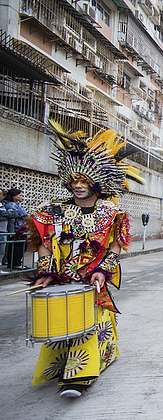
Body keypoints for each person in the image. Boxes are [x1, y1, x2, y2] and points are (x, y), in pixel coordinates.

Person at [25, 121, 140, 397]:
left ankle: (79, 377)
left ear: (98, 184)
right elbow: (43, 243)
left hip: (93, 280)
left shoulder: (111, 213)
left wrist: (104, 271)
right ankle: (60, 367)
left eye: (84, 181)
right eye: (74, 180)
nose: (77, 186)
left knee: (90, 323)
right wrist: (45, 273)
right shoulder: (52, 211)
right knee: (62, 321)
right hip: (62, 279)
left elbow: (115, 246)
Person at [4, 188, 29, 269]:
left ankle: (14, 262)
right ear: (14, 196)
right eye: (20, 195)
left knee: (19, 246)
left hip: (20, 228)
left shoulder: (15, 205)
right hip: (16, 229)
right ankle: (16, 263)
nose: (21, 197)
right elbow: (23, 214)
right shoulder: (11, 205)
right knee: (18, 246)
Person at [0, 189, 22, 272]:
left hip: (5, 231)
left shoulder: (4, 204)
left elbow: (14, 214)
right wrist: (6, 215)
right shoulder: (9, 204)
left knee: (2, 250)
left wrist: (5, 214)